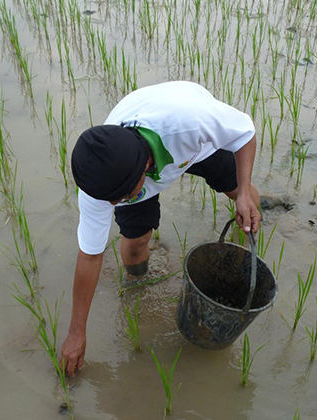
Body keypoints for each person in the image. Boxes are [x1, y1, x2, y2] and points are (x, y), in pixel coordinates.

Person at [60, 81, 261, 377]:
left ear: (143, 170)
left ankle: (243, 247)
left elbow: (245, 132)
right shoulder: (100, 185)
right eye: (111, 201)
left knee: (245, 195)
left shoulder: (190, 122)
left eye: (120, 199)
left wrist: (243, 192)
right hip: (141, 166)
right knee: (136, 241)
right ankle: (137, 285)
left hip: (194, 149)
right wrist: (76, 332)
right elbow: (90, 256)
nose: (114, 205)